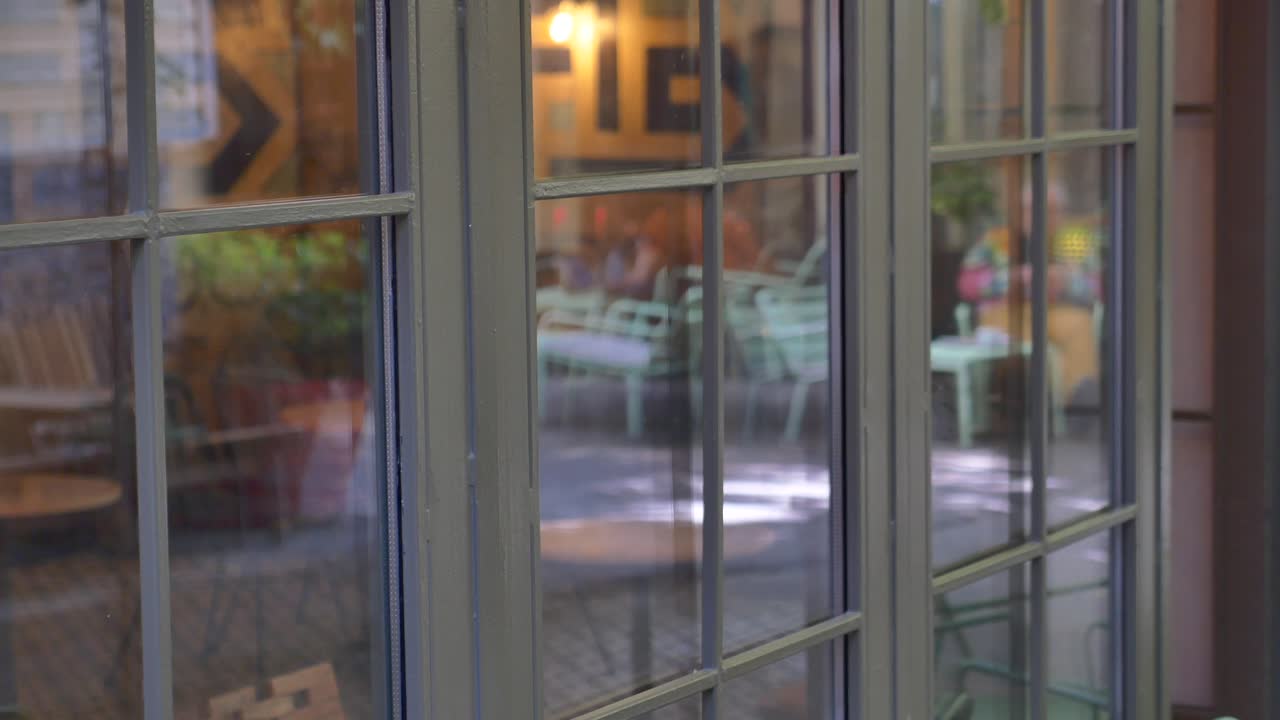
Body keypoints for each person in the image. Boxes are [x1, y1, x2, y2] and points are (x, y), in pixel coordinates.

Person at [956, 182, 1105, 402]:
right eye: (1031, 209)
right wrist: (1015, 279)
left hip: (1057, 312)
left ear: (1062, 213)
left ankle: (1078, 398)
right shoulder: (998, 240)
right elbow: (968, 285)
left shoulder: (1074, 241)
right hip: (1006, 312)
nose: (1041, 216)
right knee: (1026, 337)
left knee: (1080, 324)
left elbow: (1097, 288)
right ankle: (1039, 398)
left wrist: (1067, 282)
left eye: (1051, 210)